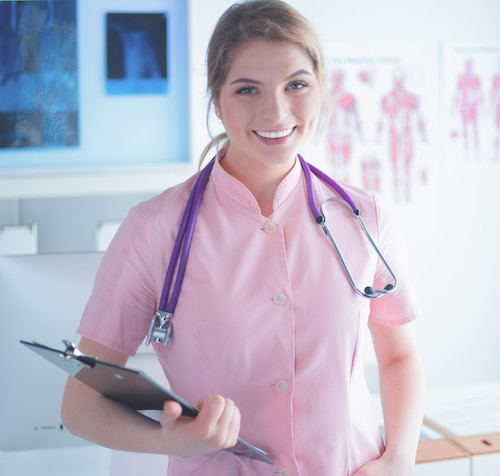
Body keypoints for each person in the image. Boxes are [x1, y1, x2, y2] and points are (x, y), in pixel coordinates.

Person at [61, 1, 425, 474]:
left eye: (296, 85)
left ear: (321, 88)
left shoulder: (365, 217)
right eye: (247, 89)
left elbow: (399, 356)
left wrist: (399, 458)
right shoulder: (154, 230)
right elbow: (80, 402)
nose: (276, 111)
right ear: (216, 97)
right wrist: (168, 437)